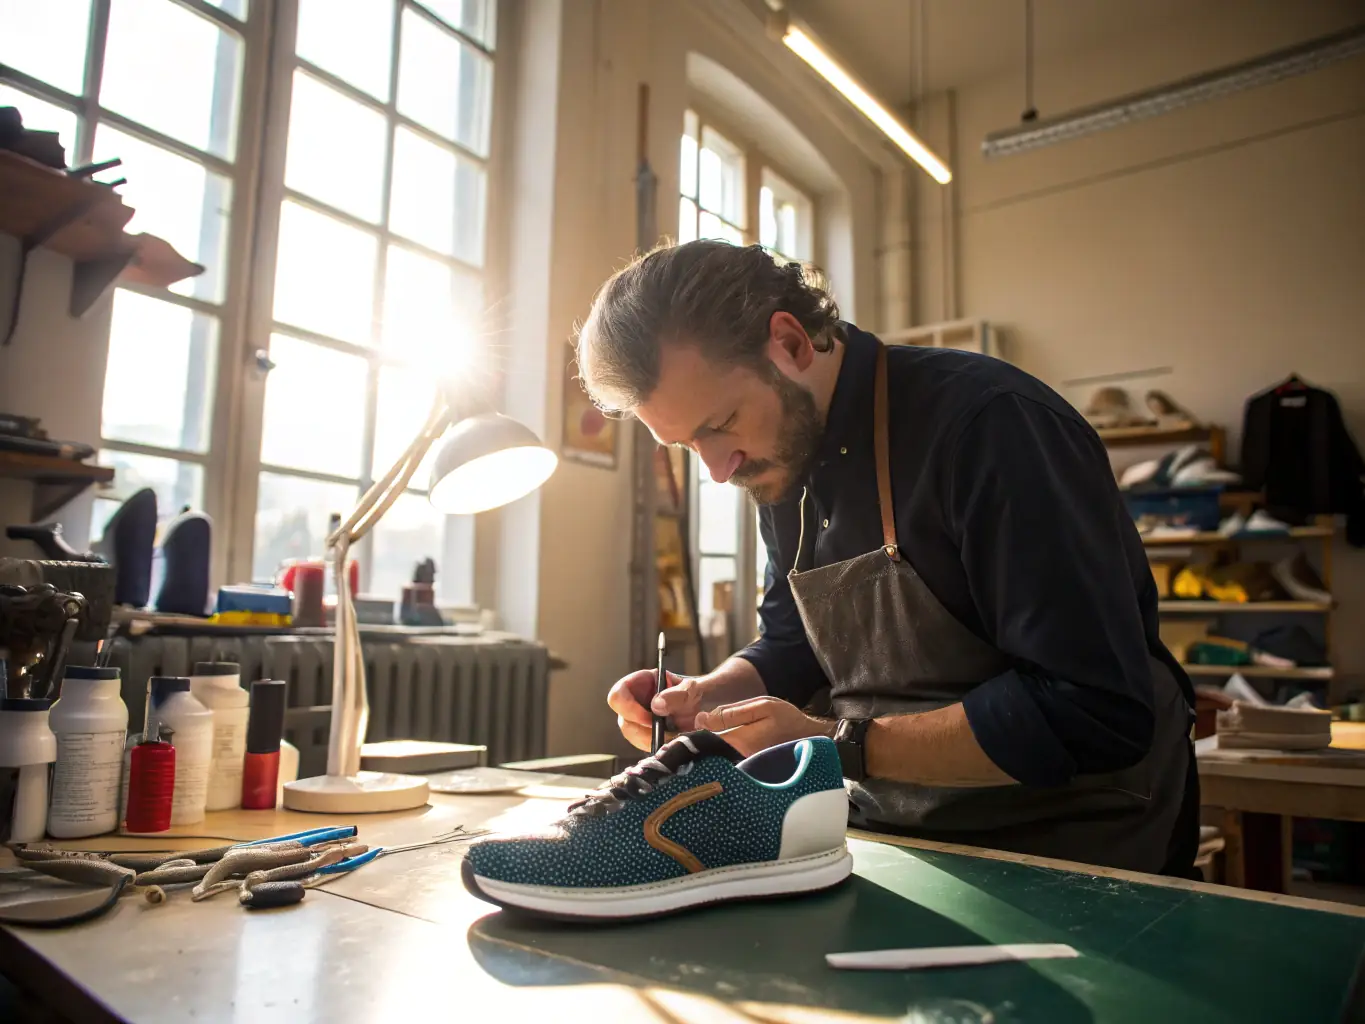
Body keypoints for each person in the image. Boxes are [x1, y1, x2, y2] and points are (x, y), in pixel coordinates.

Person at [577, 240, 1197, 876]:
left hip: (1080, 844)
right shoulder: (778, 456)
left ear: (789, 343)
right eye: (684, 445)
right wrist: (707, 696)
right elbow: (794, 644)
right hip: (905, 832)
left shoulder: (989, 425)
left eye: (720, 423)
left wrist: (837, 744)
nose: (716, 469)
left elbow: (1090, 709)